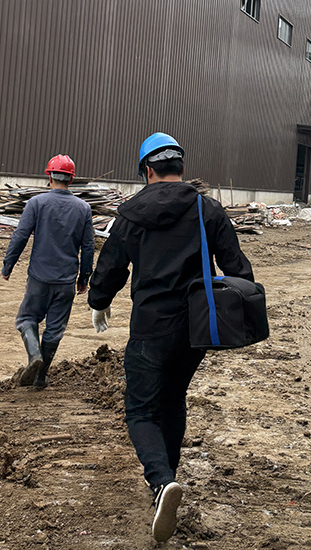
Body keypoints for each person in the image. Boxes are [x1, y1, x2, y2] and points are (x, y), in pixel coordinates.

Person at [87, 132, 253, 543]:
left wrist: (99, 302)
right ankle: (168, 481)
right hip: (195, 329)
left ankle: (161, 484)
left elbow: (111, 267)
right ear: (181, 168)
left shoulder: (129, 213)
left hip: (150, 326)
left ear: (146, 170)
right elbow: (238, 270)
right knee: (173, 399)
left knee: (141, 410)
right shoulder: (206, 209)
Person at [2, 154, 94, 389]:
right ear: (71, 180)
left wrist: (8, 265)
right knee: (54, 329)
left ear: (49, 177)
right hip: (65, 281)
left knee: (26, 319)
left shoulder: (37, 203)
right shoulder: (83, 208)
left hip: (39, 278)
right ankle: (40, 377)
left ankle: (34, 356)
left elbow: (20, 235)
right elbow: (88, 246)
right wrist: (84, 278)